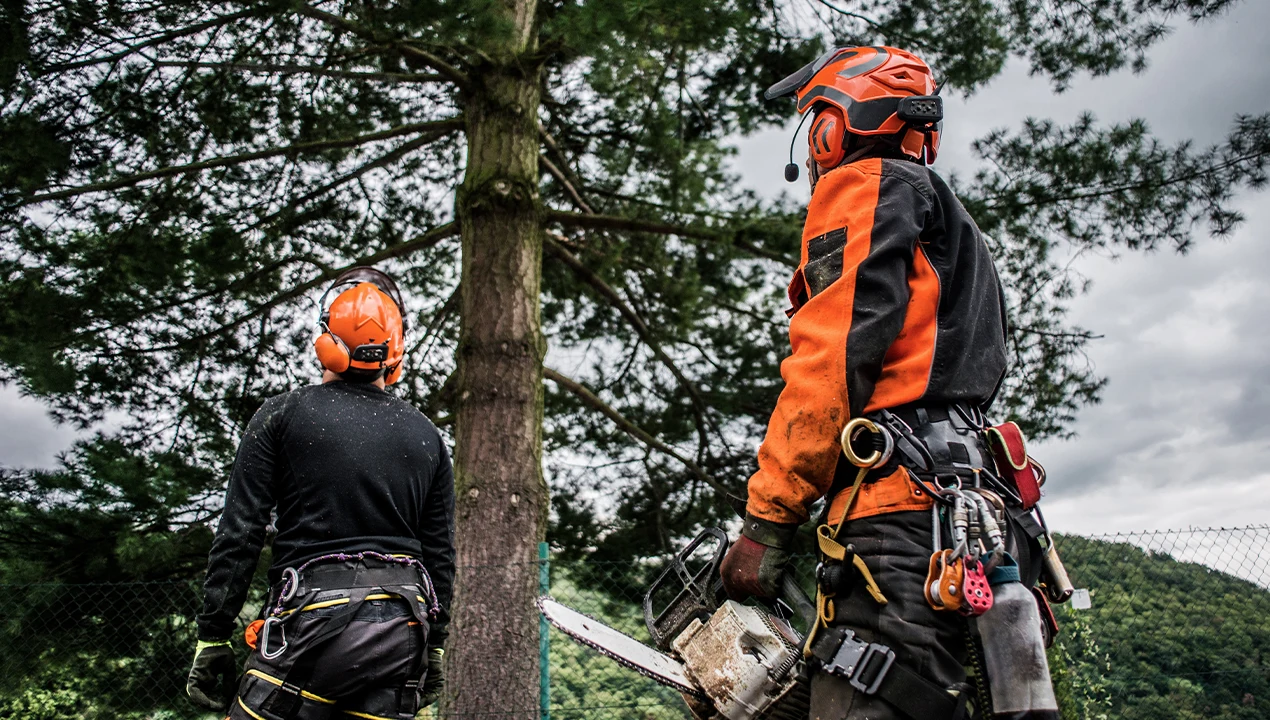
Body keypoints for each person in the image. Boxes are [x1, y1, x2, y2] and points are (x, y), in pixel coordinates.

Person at [720, 47, 1051, 719]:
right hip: (979, 519)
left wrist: (767, 517)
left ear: (833, 127)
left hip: (900, 520)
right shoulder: (956, 230)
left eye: (816, 123)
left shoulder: (865, 185)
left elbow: (831, 361)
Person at [187, 266, 455, 720]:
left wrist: (214, 635)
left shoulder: (282, 415)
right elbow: (440, 553)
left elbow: (240, 534)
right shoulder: (427, 436)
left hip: (308, 626)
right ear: (396, 353)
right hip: (402, 633)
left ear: (325, 343)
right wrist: (436, 646)